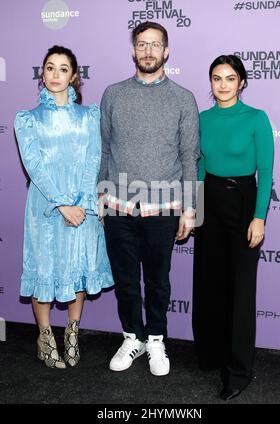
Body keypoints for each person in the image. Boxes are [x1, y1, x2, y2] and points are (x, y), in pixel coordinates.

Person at [99, 21, 199, 376]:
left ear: (166, 51)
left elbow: (190, 158)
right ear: (133, 50)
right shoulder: (112, 94)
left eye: (155, 45)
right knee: (125, 280)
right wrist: (100, 193)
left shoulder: (184, 98)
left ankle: (156, 339)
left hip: (163, 207)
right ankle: (132, 338)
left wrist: (190, 209)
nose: (148, 51)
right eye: (142, 45)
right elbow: (105, 149)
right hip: (118, 206)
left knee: (158, 280)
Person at [14, 45, 114, 369]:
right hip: (44, 206)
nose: (55, 74)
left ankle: (72, 332)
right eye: (49, 68)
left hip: (82, 204)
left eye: (63, 68)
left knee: (78, 269)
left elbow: (93, 160)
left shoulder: (89, 116)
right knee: (44, 269)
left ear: (74, 76)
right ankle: (45, 337)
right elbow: (34, 166)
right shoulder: (27, 119)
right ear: (42, 74)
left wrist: (83, 204)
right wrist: (61, 205)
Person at [193, 55, 274, 399]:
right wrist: (194, 211)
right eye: (216, 78)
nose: (223, 84)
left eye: (230, 78)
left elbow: (266, 174)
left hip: (243, 203)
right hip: (209, 200)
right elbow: (199, 167)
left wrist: (259, 217)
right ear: (210, 83)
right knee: (210, 283)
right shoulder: (202, 119)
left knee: (240, 291)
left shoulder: (257, 118)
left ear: (241, 82)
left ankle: (238, 372)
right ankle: (212, 354)